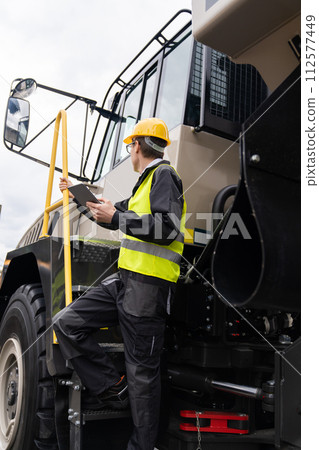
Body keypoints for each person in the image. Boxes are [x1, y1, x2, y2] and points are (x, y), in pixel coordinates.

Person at [53, 117, 186, 450]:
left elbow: (167, 227)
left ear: (137, 146)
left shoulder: (164, 176)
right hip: (124, 283)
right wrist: (77, 196)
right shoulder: (145, 184)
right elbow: (111, 213)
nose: (130, 152)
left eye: (130, 147)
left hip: (147, 289)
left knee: (143, 377)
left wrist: (116, 216)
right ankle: (113, 388)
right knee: (66, 323)